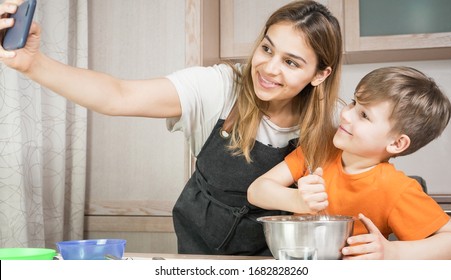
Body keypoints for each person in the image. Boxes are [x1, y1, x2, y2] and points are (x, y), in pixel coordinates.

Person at [0, 0, 343, 255]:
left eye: (290, 62)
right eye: (267, 48)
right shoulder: (220, 88)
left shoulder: (329, 136)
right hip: (196, 260)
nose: (268, 68)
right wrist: (33, 64)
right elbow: (118, 96)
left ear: (319, 75)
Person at [248, 66, 451, 259]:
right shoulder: (318, 149)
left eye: (364, 115)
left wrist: (393, 252)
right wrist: (296, 200)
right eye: (353, 102)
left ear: (397, 143)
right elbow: (257, 191)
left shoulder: (396, 189)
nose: (347, 115)